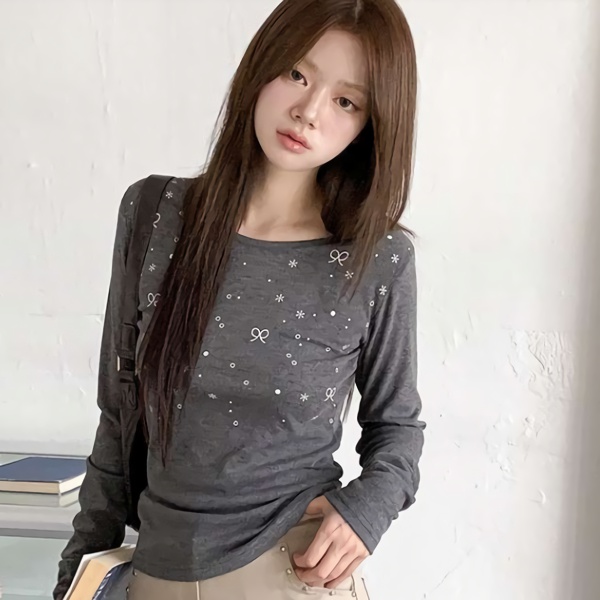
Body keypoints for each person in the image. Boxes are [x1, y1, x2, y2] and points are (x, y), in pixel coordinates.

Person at [53, 0, 426, 598]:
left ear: (370, 125)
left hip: (292, 569)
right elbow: (118, 412)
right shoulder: (154, 214)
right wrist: (75, 575)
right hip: (155, 570)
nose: (308, 112)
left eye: (346, 102)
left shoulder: (375, 258)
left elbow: (397, 428)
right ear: (262, 65)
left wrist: (367, 511)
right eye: (297, 74)